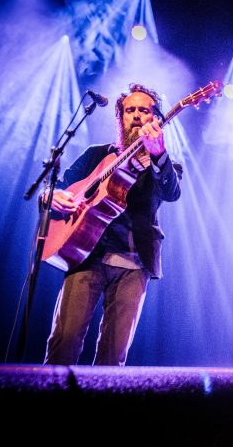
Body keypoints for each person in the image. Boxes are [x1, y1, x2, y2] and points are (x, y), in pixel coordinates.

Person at [44, 83, 183, 366]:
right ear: (119, 117)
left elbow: (172, 192)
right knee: (65, 342)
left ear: (155, 118)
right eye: (129, 110)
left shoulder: (165, 163)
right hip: (86, 256)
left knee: (113, 356)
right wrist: (52, 195)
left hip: (133, 263)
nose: (135, 115)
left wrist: (158, 155)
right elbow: (60, 186)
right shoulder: (97, 154)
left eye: (143, 110)